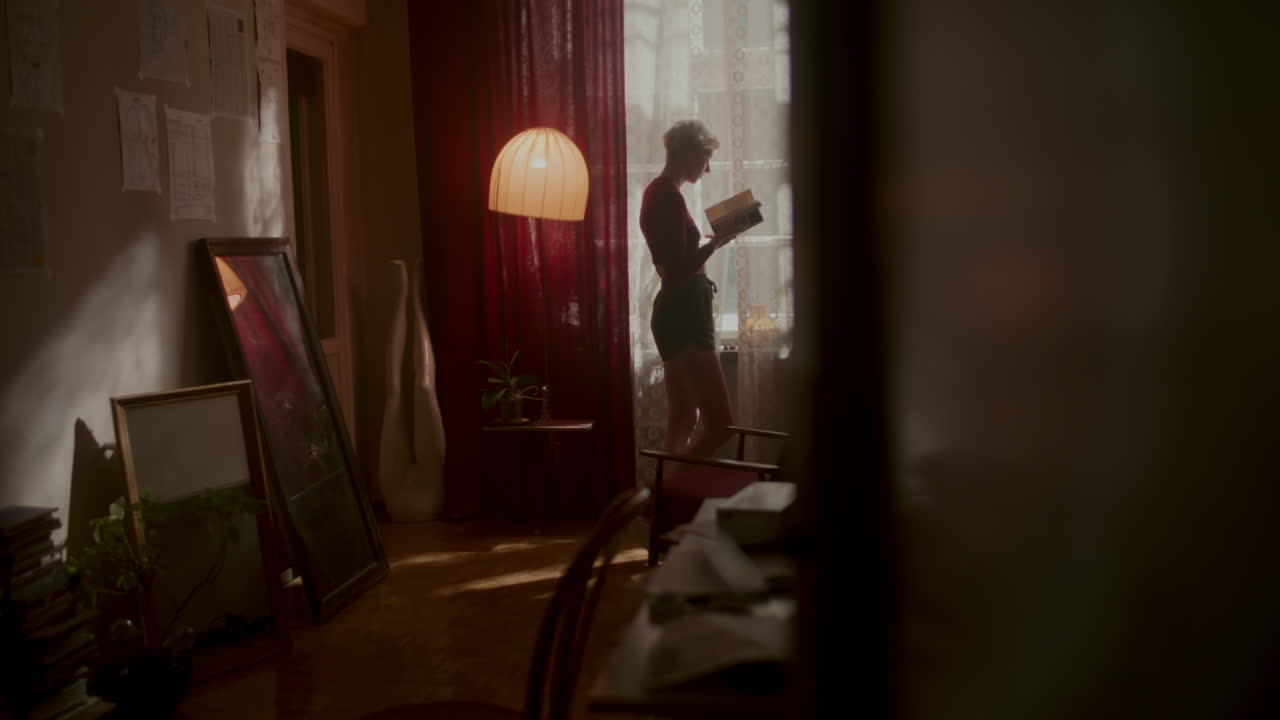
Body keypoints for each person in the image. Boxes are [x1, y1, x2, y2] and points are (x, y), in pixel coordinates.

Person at [641, 119, 738, 461]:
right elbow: (675, 272)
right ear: (686, 152)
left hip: (682, 313)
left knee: (683, 418)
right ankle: (666, 493)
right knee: (721, 425)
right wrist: (718, 243)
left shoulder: (666, 194)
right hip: (683, 315)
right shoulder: (665, 197)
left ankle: (666, 502)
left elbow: (677, 261)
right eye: (705, 157)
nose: (708, 167)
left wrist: (712, 243)